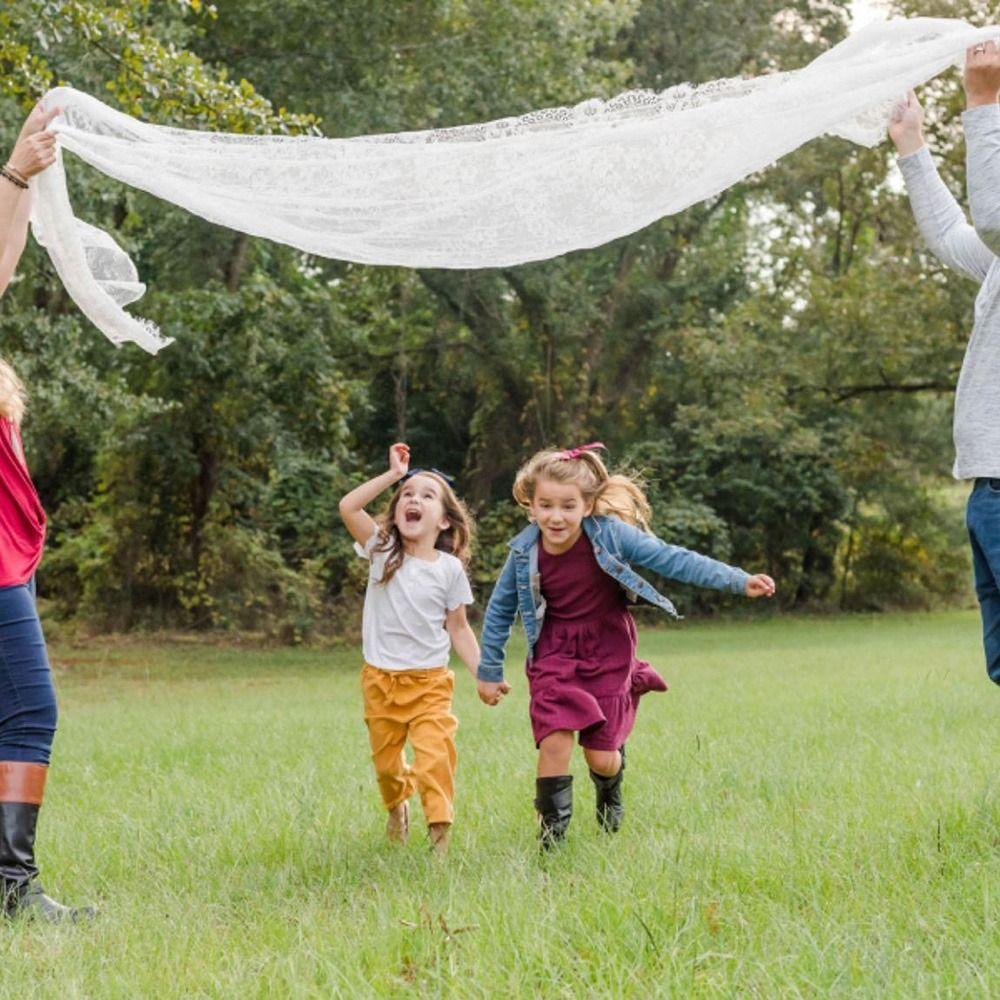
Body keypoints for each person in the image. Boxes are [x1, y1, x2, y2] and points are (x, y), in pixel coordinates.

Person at [476, 444, 774, 848]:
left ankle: (610, 785)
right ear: (531, 504)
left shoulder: (612, 535)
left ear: (587, 505)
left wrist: (737, 579)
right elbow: (499, 611)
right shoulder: (523, 552)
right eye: (545, 505)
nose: (556, 516)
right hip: (554, 652)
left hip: (608, 649)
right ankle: (551, 844)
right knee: (554, 739)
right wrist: (490, 671)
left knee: (600, 757)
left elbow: (673, 559)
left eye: (568, 506)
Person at [0, 98, 92, 921]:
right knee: (30, 708)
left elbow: (8, 253)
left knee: (19, 710)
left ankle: (12, 887)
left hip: (7, 556)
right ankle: (13, 889)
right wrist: (14, 173)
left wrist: (23, 163)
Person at [889, 43, 1000, 686]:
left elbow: (992, 216)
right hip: (990, 492)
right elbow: (958, 237)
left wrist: (981, 102)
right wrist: (912, 147)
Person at [338, 443, 480, 856]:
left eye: (427, 495)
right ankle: (396, 809)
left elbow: (459, 629)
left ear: (446, 520)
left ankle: (439, 846)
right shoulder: (382, 551)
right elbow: (349, 507)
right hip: (380, 682)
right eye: (407, 495)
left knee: (435, 760)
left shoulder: (449, 570)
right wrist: (393, 475)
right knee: (387, 769)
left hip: (430, 684)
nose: (413, 499)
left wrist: (483, 675)